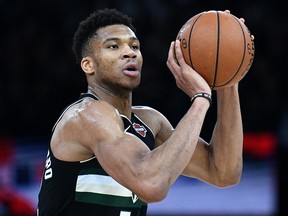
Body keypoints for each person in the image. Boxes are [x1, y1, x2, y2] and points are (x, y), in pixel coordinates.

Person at [37, 8, 247, 216]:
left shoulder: (149, 122)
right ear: (88, 65)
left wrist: (228, 76)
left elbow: (223, 171)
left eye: (134, 46)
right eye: (113, 46)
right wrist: (201, 100)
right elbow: (151, 185)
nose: (130, 52)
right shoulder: (86, 116)